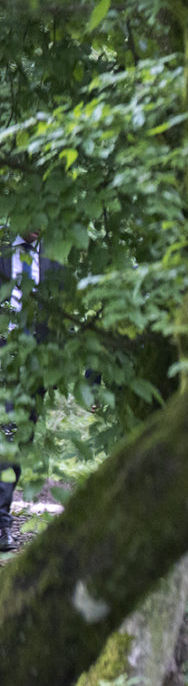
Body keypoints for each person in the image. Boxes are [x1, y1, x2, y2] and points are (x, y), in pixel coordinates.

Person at [0, 231, 54, 553]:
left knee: (20, 441)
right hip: (4, 353)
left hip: (35, 363)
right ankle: (2, 524)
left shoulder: (54, 259)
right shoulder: (3, 253)